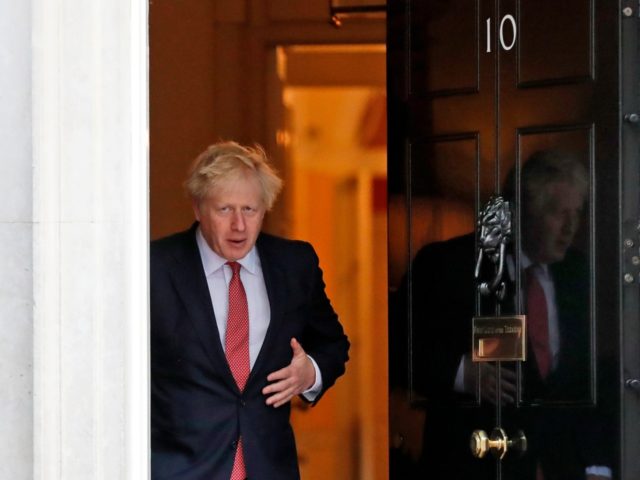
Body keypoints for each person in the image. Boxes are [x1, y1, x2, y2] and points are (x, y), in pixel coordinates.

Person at [392, 150, 612, 479]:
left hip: (558, 466)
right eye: (557, 213)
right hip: (474, 461)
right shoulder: (449, 265)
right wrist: (463, 373)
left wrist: (596, 464)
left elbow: (592, 376)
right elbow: (396, 348)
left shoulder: (578, 274)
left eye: (575, 214)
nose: (569, 228)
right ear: (524, 211)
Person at [151, 141, 350, 479]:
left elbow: (333, 344)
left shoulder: (294, 265)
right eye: (225, 210)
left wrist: (309, 374)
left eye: (250, 210)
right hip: (182, 469)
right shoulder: (155, 267)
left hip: (269, 468)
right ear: (198, 208)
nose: (240, 226)